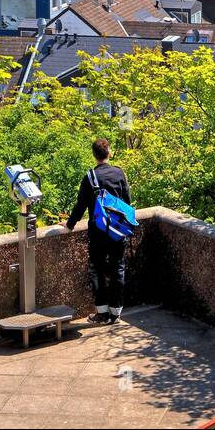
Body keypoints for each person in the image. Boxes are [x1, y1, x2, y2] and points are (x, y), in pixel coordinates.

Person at [66, 137, 132, 324]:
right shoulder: (120, 173)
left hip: (98, 232)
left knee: (97, 268)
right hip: (118, 231)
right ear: (109, 153)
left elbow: (81, 205)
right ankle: (116, 313)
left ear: (94, 155)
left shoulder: (89, 177)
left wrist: (70, 224)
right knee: (118, 267)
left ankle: (102, 313)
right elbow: (127, 202)